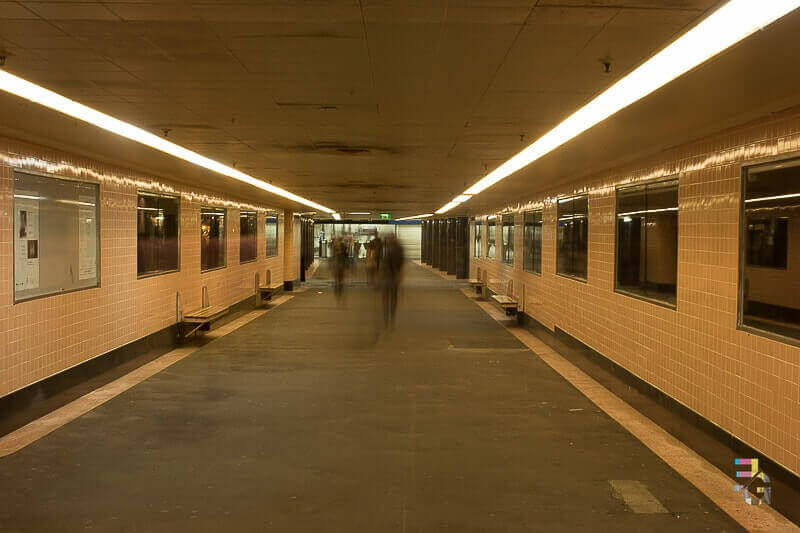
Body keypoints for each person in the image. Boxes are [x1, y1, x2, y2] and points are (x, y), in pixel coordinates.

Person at [380, 234, 404, 327]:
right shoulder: (399, 250)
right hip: (394, 277)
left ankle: (386, 316)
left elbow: (385, 264)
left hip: (388, 276)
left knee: (386, 298)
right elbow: (401, 264)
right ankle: (392, 316)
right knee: (393, 297)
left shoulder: (389, 250)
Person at [331, 235, 348, 302]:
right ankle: (339, 285)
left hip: (337, 264)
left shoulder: (336, 246)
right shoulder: (343, 246)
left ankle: (338, 285)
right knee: (340, 277)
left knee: (337, 276)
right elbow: (346, 256)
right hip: (341, 264)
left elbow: (333, 256)